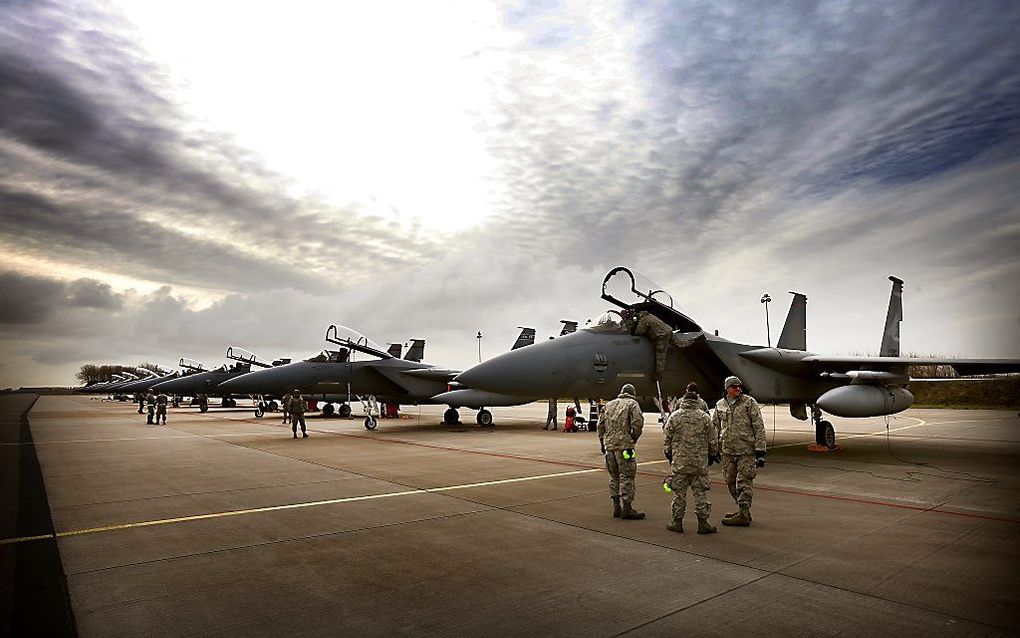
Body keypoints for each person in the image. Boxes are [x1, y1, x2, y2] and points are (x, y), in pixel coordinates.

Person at [662, 382, 718, 534]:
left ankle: (677, 522)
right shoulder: (704, 417)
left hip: (680, 462)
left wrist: (668, 453)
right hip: (699, 463)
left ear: (684, 400)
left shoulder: (674, 416)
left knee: (679, 494)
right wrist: (712, 455)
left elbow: (667, 437)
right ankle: (703, 523)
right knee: (700, 493)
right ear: (696, 401)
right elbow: (713, 439)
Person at [712, 376, 766, 527]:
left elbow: (758, 427)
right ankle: (743, 510)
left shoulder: (749, 403)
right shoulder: (720, 405)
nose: (738, 389)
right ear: (727, 389)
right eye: (734, 386)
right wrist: (714, 449)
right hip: (728, 451)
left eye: (739, 386)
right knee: (730, 482)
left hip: (746, 452)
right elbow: (714, 427)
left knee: (744, 482)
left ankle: (743, 514)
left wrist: (760, 451)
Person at [597, 383, 646, 519]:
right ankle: (627, 508)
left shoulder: (609, 405)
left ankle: (616, 506)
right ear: (632, 393)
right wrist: (633, 438)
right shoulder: (632, 404)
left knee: (614, 476)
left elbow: (600, 426)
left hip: (610, 448)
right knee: (627, 476)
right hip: (625, 448)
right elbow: (638, 423)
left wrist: (602, 442)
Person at [627, 310, 687, 382]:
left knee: (660, 356)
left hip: (661, 337)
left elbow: (639, 332)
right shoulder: (650, 316)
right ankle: (690, 342)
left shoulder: (643, 319)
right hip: (668, 331)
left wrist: (633, 329)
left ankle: (659, 376)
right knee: (679, 343)